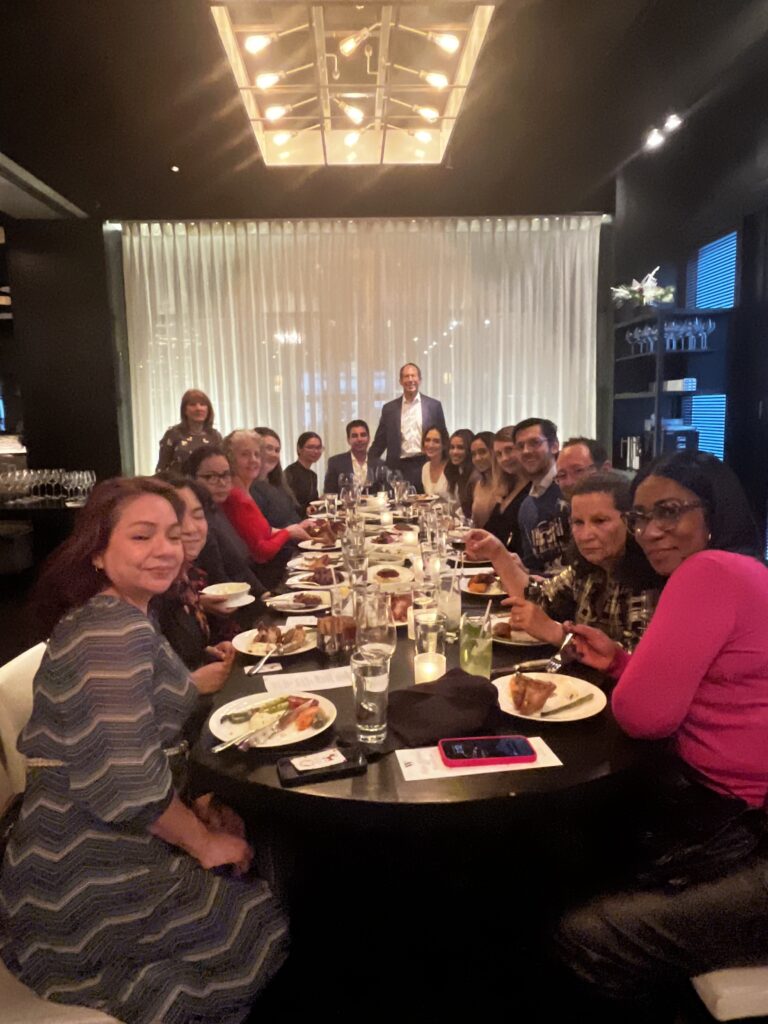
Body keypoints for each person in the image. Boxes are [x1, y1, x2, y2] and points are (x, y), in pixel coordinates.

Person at [0, 477, 288, 1024]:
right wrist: (200, 840)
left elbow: (127, 748)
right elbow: (126, 780)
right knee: (260, 904)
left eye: (173, 535)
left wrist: (189, 805)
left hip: (82, 842)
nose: (165, 548)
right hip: (83, 877)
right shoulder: (113, 633)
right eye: (141, 536)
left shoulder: (121, 612)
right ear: (99, 554)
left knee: (257, 841)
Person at [555, 451, 768, 1016]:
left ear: (715, 512)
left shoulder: (708, 571)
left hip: (750, 831)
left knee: (588, 931)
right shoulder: (747, 570)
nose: (649, 532)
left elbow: (644, 717)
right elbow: (722, 688)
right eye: (641, 516)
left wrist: (630, 684)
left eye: (669, 512)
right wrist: (624, 663)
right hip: (726, 813)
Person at [468, 472, 662, 645]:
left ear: (631, 521)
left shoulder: (647, 583)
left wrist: (559, 635)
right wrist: (496, 553)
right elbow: (538, 598)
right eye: (578, 522)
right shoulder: (585, 569)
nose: (586, 535)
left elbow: (638, 662)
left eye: (600, 521)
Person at [153, 476, 239, 673]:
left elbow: (179, 652)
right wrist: (192, 683)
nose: (191, 529)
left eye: (198, 515)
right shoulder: (151, 587)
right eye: (178, 518)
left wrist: (206, 652)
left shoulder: (186, 578)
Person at [221, 431, 310, 588]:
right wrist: (288, 532)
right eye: (245, 455)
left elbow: (262, 532)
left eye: (256, 454)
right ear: (230, 459)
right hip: (263, 581)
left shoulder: (244, 492)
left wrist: (295, 528)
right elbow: (261, 552)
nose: (253, 460)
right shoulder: (235, 497)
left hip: (268, 573)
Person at [187, 446, 269, 599]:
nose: (222, 483)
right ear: (191, 479)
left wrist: (265, 594)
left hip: (246, 594)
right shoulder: (198, 524)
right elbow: (219, 580)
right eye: (211, 476)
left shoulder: (217, 510)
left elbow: (237, 565)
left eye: (226, 475)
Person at [369, 363, 448, 489]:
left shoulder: (434, 406)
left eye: (413, 376)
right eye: (406, 376)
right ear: (400, 381)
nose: (410, 380)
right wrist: (367, 462)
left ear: (420, 380)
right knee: (397, 506)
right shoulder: (389, 409)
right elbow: (380, 441)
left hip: (425, 464)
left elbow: (443, 437)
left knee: (424, 505)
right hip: (397, 468)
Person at [514, 417, 570, 572]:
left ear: (554, 446)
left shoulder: (569, 490)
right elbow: (531, 566)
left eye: (534, 443)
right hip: (543, 591)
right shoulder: (527, 507)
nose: (526, 451)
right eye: (520, 446)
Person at [483, 426, 531, 554]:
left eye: (509, 450)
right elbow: (490, 531)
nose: (504, 458)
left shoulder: (534, 489)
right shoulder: (507, 489)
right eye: (499, 454)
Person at [156, 388, 222, 473]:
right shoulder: (173, 434)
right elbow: (161, 468)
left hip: (208, 485)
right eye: (192, 405)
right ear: (184, 410)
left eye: (202, 404)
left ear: (208, 410)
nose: (198, 408)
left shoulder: (215, 436)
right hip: (178, 485)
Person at [251, 427, 302, 527]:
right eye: (268, 448)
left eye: (277, 450)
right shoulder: (248, 488)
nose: (274, 454)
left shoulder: (279, 485)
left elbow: (292, 518)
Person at [324, 419, 387, 494]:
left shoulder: (379, 464)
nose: (359, 439)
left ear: (369, 438)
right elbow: (329, 494)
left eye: (363, 435)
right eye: (354, 436)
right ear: (348, 440)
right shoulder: (335, 463)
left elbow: (383, 492)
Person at [284, 432, 322, 513]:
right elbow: (288, 503)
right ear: (299, 449)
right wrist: (305, 509)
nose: (315, 451)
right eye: (310, 447)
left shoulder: (313, 475)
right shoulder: (290, 472)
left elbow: (312, 502)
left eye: (319, 447)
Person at [469, 431, 500, 527]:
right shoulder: (478, 484)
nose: (477, 458)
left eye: (482, 452)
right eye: (473, 454)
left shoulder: (506, 485)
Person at [444, 428, 475, 516]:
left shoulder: (475, 476)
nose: (455, 452)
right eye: (452, 447)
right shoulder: (454, 470)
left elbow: (470, 511)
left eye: (460, 448)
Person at [420, 425, 452, 499]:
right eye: (427, 440)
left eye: (436, 441)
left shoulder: (451, 467)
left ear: (444, 445)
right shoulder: (425, 467)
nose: (430, 445)